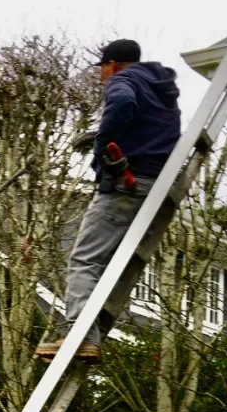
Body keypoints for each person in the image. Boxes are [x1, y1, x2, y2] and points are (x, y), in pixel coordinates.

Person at [39, 39, 185, 362]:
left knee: (84, 260)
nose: (102, 77)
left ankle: (79, 336)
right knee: (109, 263)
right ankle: (88, 333)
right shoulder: (162, 91)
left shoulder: (123, 81)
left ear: (113, 64)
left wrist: (103, 146)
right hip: (159, 187)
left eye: (103, 70)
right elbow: (149, 131)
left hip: (125, 187)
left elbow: (120, 104)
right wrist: (102, 134)